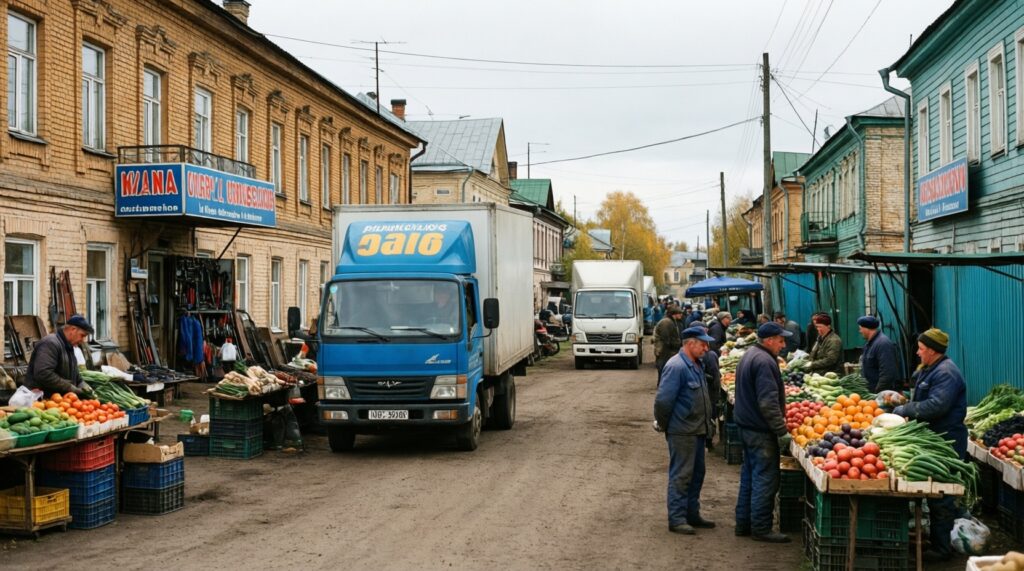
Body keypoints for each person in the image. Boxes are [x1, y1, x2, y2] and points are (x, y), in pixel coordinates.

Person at [892, 328, 967, 562]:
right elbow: (922, 399)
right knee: (935, 490)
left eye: (921, 349)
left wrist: (905, 410)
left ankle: (942, 549)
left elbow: (936, 406)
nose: (917, 352)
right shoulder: (930, 368)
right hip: (933, 436)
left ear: (933, 351)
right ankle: (938, 540)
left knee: (942, 492)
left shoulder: (946, 373)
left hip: (947, 440)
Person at [732, 322, 793, 543]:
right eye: (780, 340)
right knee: (766, 479)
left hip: (746, 426)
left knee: (749, 476)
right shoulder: (765, 361)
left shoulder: (750, 355)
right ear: (769, 340)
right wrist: (781, 430)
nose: (783, 344)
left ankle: (743, 524)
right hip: (759, 430)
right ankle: (761, 528)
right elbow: (767, 403)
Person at [653, 326, 717, 535]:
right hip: (683, 431)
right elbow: (663, 401)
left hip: (697, 430)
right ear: (690, 343)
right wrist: (665, 426)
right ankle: (677, 518)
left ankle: (692, 513)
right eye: (703, 344)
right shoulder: (676, 366)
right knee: (682, 475)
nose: (706, 348)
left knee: (697, 473)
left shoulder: (695, 365)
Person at [23, 315, 94, 396]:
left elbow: (76, 376)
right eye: (82, 335)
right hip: (41, 400)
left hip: (60, 401)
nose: (83, 340)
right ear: (73, 330)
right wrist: (71, 388)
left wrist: (85, 387)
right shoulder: (50, 343)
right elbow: (43, 373)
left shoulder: (69, 347)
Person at [857, 316, 900, 393]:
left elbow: (887, 374)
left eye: (860, 328)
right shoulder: (869, 344)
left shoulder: (883, 344)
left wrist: (877, 393)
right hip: (872, 392)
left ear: (866, 328)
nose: (860, 331)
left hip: (881, 394)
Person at [653, 307, 684, 385]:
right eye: (679, 313)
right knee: (663, 367)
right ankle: (662, 384)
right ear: (674, 314)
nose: (681, 315)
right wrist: (675, 345)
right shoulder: (666, 322)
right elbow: (666, 338)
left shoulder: (671, 321)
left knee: (665, 368)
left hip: (667, 349)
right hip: (664, 350)